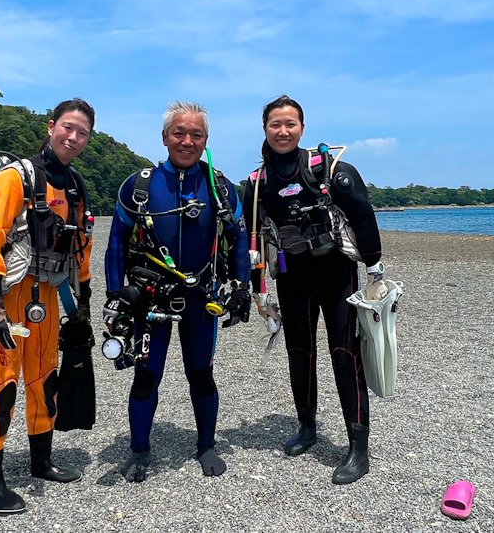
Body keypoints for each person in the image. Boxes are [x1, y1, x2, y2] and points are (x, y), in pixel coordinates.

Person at [241, 95, 385, 485]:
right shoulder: (257, 184)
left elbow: (363, 216)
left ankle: (358, 448)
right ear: (265, 129)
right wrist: (258, 291)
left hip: (336, 275)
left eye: (290, 124)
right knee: (299, 353)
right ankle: (307, 427)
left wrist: (375, 272)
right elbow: (251, 241)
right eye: (275, 124)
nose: (283, 131)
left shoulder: (331, 170)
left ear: (302, 128)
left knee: (344, 353)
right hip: (292, 278)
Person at [103, 101, 250, 482]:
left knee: (201, 374)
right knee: (146, 376)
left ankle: (206, 444)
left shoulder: (220, 187)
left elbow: (239, 237)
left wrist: (241, 286)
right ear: (165, 137)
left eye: (196, 134)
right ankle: (139, 450)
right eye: (179, 133)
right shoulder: (139, 186)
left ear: (206, 140)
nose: (187, 141)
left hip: (202, 297)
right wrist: (117, 294)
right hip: (151, 298)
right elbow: (116, 243)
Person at [0, 98, 96, 513]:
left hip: (48, 297)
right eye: (68, 128)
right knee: (0, 386)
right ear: (51, 127)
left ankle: (41, 460)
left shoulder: (75, 185)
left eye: (82, 133)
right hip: (7, 297)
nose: (73, 138)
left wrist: (83, 307)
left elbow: (81, 248)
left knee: (44, 379)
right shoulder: (14, 179)